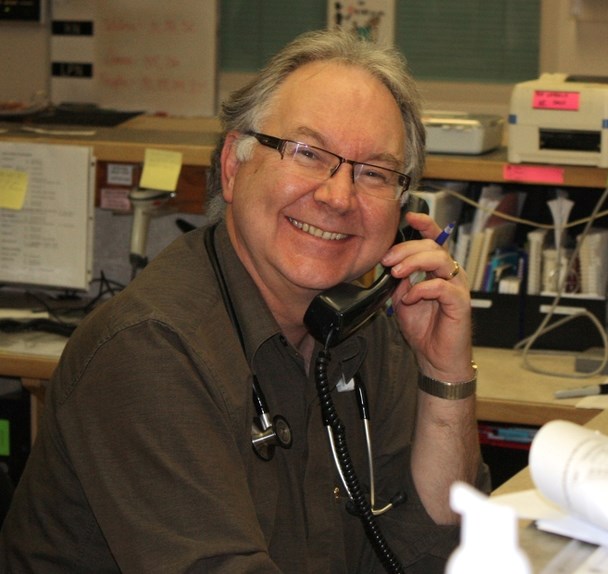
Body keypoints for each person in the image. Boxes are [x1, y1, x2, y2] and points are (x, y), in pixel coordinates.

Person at [0, 28, 489, 573]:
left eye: (373, 173)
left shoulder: (369, 328)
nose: (337, 196)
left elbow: (444, 553)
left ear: (403, 208)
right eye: (307, 154)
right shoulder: (150, 351)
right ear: (234, 165)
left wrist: (444, 375)